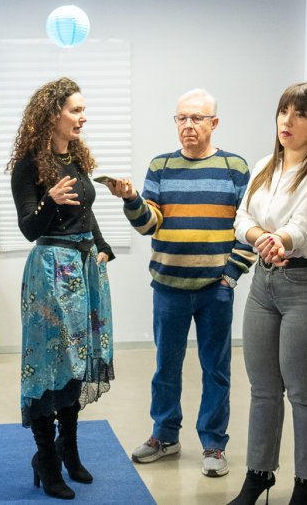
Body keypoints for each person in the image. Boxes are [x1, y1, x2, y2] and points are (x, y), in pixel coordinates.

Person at [105, 89, 255, 478]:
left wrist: (231, 275)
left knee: (216, 369)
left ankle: (213, 444)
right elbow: (148, 224)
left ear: (214, 123)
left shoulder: (235, 167)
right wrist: (132, 198)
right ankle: (165, 436)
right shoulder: (161, 165)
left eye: (197, 118)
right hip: (168, 286)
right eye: (181, 118)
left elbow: (249, 225)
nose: (188, 125)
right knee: (165, 367)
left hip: (215, 290)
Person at [227, 83, 307, 505]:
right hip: (264, 283)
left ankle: (306, 483)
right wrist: (263, 239)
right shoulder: (265, 165)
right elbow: (242, 217)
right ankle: (259, 475)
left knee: (303, 392)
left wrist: (280, 240)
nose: (287, 122)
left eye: (300, 114)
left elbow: (304, 226)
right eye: (283, 112)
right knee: (262, 388)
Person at [9, 77, 115, 500]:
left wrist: (103, 246)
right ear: (52, 114)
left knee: (76, 360)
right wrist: (49, 199)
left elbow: (86, 213)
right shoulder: (28, 166)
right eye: (75, 110)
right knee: (48, 363)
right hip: (51, 271)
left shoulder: (77, 159)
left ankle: (68, 451)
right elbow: (29, 228)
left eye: (83, 110)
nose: (82, 117)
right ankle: (46, 460)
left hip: (85, 267)